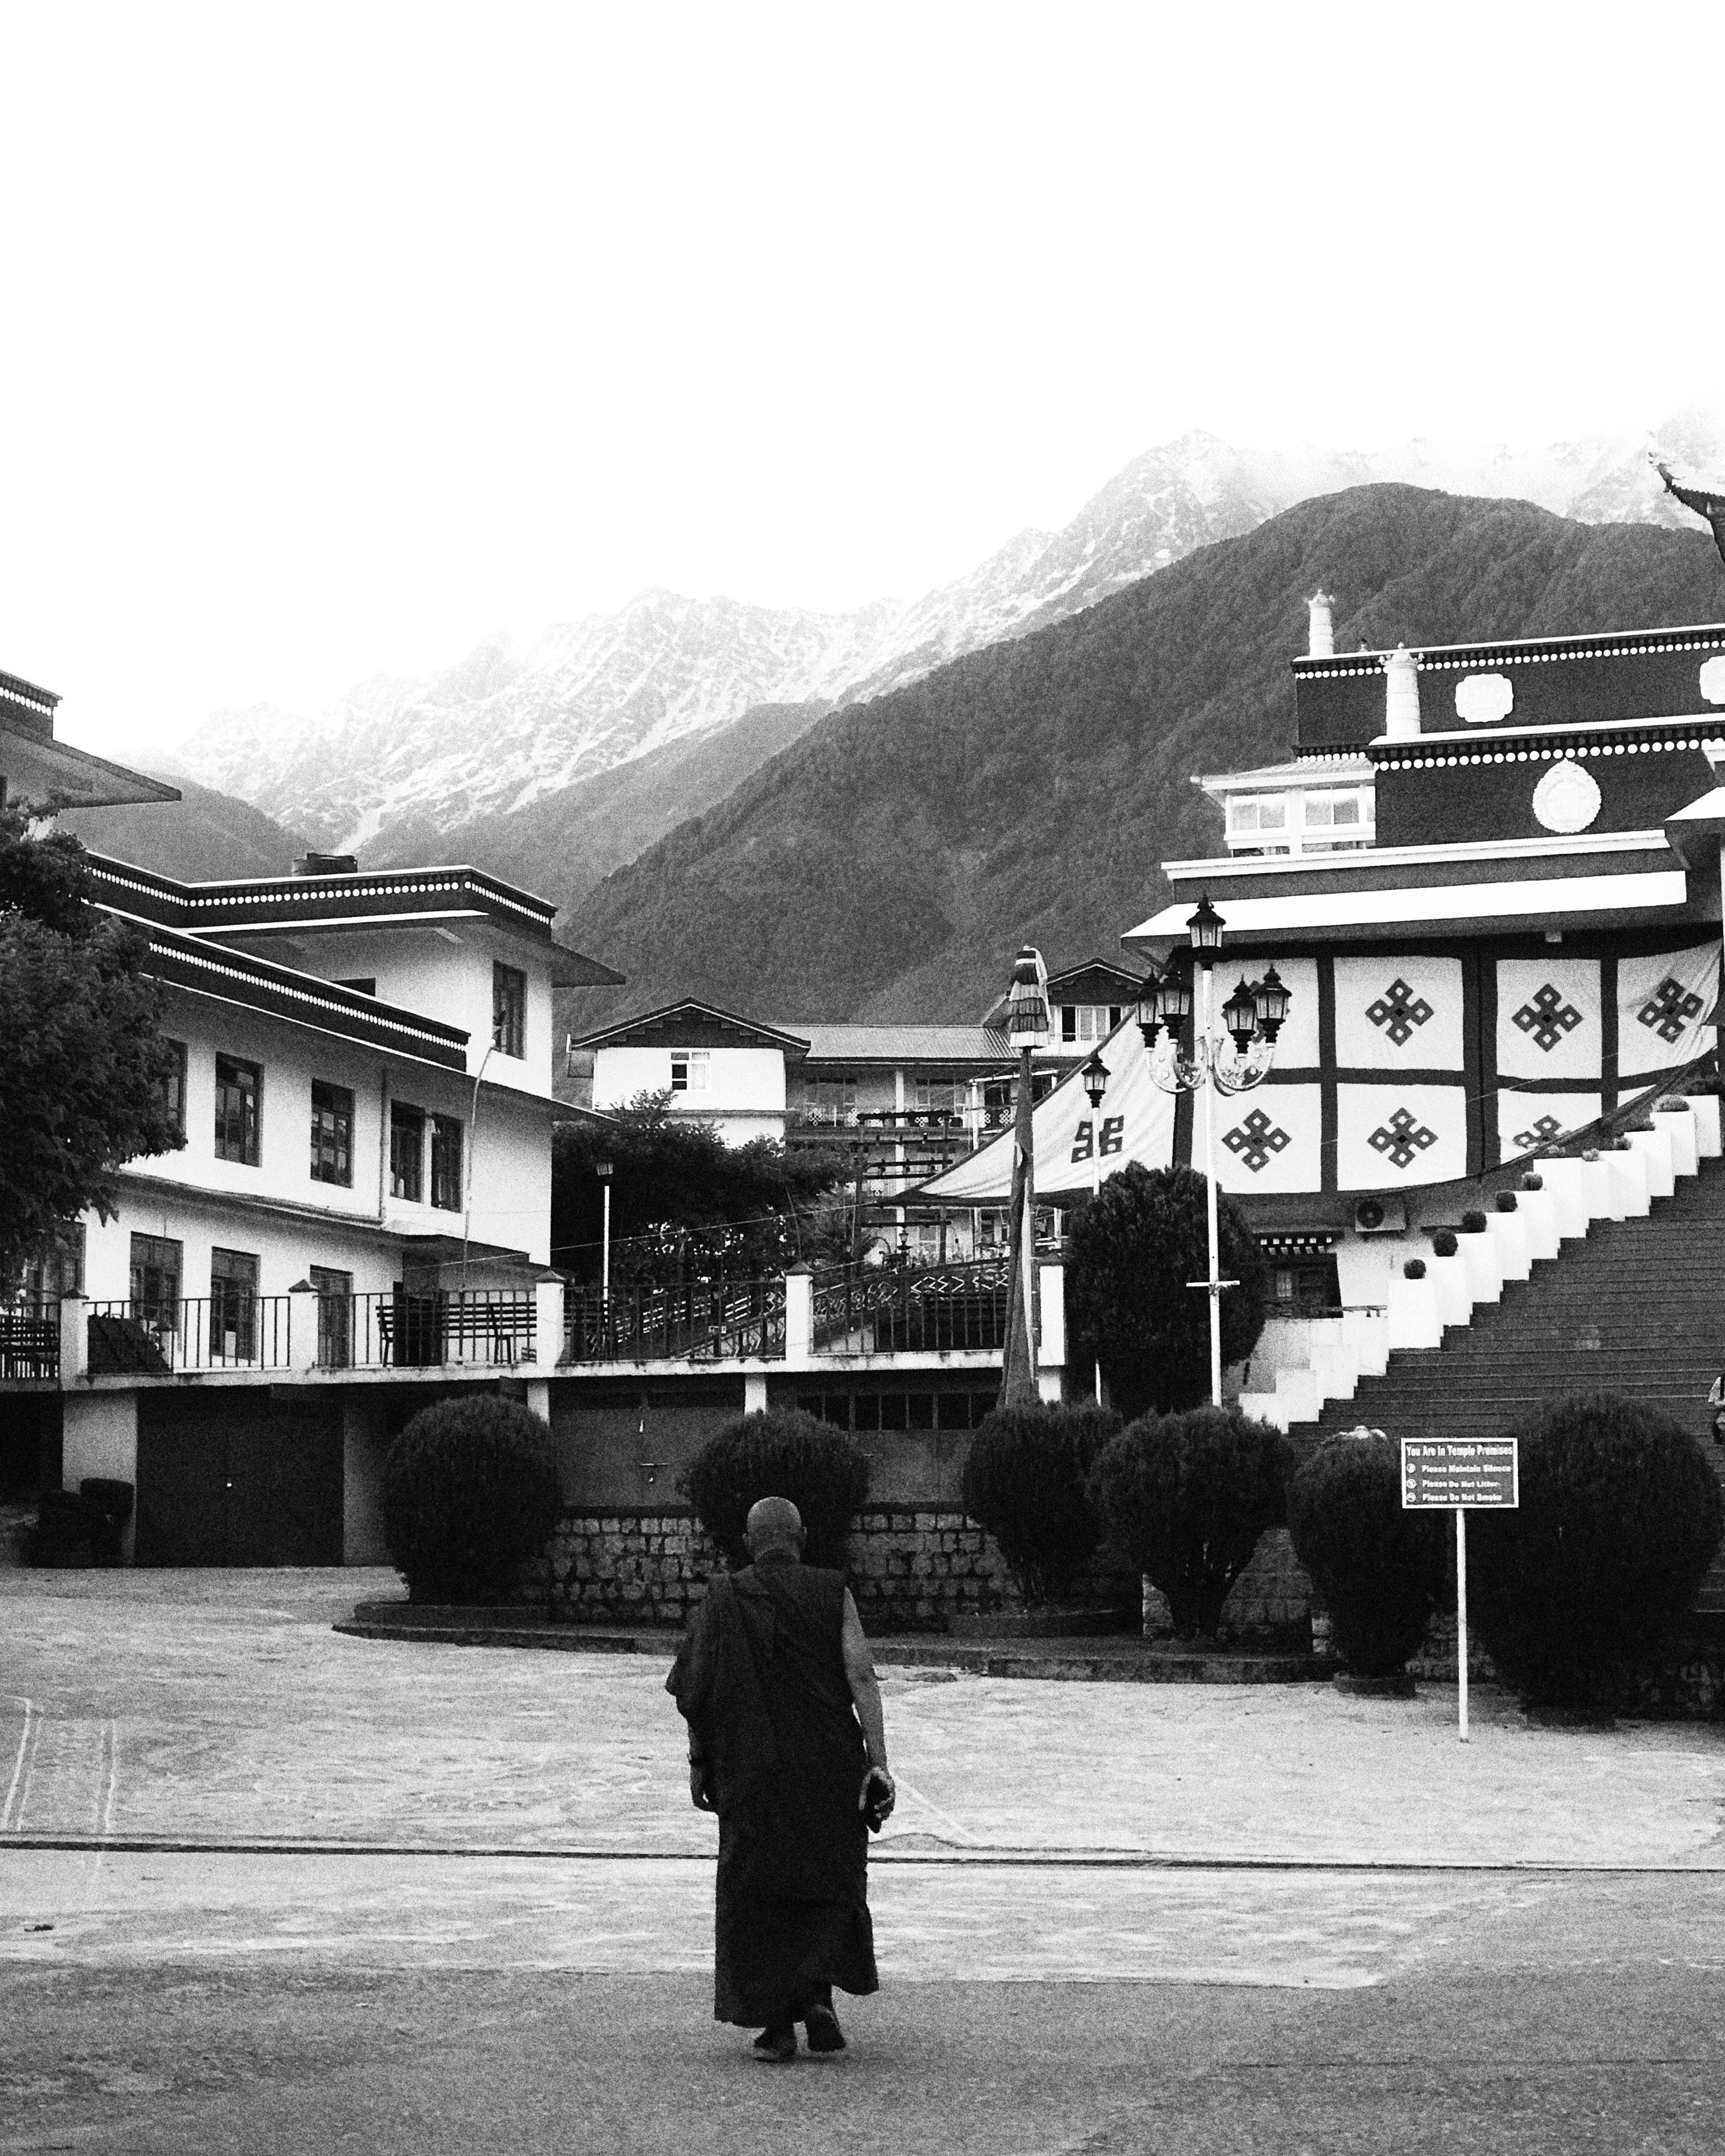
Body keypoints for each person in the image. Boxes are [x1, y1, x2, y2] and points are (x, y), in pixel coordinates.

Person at [666, 1494, 896, 2063]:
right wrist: (879, 1762)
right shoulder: (831, 1591)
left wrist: (700, 1762)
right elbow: (862, 1674)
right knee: (825, 1878)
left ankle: (776, 2025)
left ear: (749, 1543)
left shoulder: (723, 1598)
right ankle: (816, 1996)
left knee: (758, 1889)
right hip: (827, 1763)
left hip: (752, 1769)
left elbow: (698, 1691)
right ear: (803, 1536)